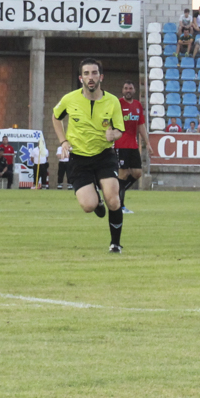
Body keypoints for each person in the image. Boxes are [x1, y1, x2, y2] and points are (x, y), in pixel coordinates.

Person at [52, 58, 126, 254]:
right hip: (79, 158)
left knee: (114, 199)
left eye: (94, 73)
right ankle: (96, 201)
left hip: (104, 155)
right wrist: (63, 141)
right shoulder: (69, 99)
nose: (90, 77)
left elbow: (120, 129)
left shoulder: (113, 102)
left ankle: (115, 244)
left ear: (101, 77)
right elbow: (55, 117)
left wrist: (114, 134)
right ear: (81, 78)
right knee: (88, 205)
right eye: (86, 74)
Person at [115, 81, 150, 214]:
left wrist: (147, 143)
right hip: (120, 144)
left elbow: (140, 125)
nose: (128, 90)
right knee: (123, 174)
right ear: (123, 90)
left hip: (133, 144)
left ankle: (116, 192)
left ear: (134, 90)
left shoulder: (137, 105)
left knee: (137, 173)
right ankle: (120, 206)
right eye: (126, 88)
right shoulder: (117, 104)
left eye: (130, 88)